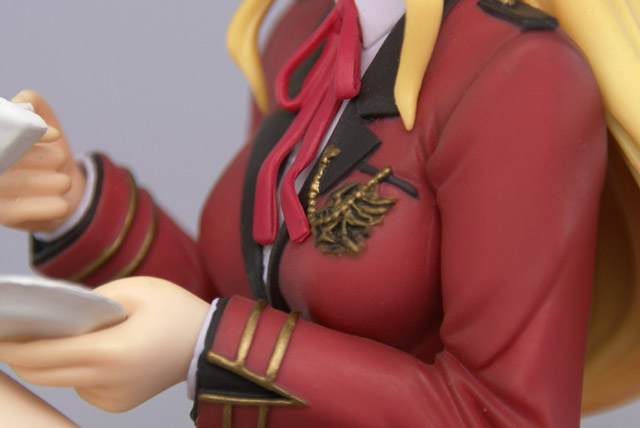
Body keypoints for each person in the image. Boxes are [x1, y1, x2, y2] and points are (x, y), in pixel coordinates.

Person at [0, 0, 637, 426]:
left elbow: (504, 416)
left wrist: (204, 344)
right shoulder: (303, 33)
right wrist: (75, 205)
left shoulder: (520, 76)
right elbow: (244, 298)